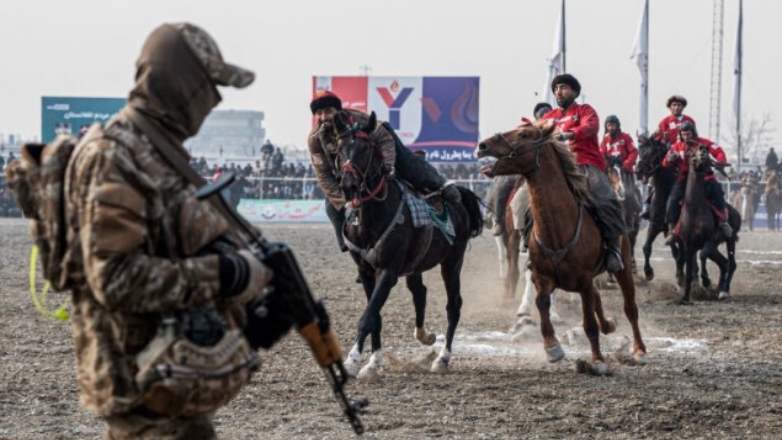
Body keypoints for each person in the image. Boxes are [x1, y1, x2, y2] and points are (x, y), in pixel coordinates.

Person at [64, 23, 276, 439]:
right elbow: (114, 276)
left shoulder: (156, 150)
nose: (212, 103)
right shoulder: (116, 155)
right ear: (182, 85)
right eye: (207, 87)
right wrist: (227, 273)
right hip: (137, 383)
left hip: (167, 377)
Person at [308, 90, 461, 252]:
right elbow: (323, 174)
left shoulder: (360, 119)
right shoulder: (315, 139)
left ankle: (443, 185)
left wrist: (388, 165)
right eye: (319, 113)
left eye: (328, 111)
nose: (324, 117)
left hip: (379, 151)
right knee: (331, 206)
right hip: (349, 170)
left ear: (338, 111)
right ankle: (348, 245)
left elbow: (385, 140)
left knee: (410, 167)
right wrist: (344, 199)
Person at [539, 74, 626, 273]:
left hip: (585, 165)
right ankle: (534, 248)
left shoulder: (585, 111)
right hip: (556, 169)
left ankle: (613, 249)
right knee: (529, 203)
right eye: (556, 89)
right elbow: (533, 132)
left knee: (605, 198)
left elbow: (591, 126)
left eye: (564, 88)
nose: (559, 92)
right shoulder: (549, 117)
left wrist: (570, 134)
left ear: (574, 92)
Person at [662, 121, 732, 244]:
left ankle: (723, 222)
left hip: (705, 177)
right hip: (684, 179)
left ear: (693, 133)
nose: (686, 137)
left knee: (717, 193)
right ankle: (672, 231)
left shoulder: (704, 143)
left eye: (688, 134)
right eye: (683, 134)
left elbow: (719, 151)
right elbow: (665, 162)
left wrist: (721, 160)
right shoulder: (677, 146)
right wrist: (669, 159)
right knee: (671, 200)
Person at [640, 95, 697, 219]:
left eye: (679, 105)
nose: (676, 108)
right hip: (668, 154)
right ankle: (647, 205)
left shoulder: (689, 120)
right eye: (674, 105)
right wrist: (662, 138)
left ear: (683, 107)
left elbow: (695, 137)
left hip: (685, 154)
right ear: (670, 107)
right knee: (655, 172)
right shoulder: (665, 122)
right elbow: (656, 138)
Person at [599, 115, 639, 208]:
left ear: (617, 126)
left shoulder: (625, 137)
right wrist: (607, 163)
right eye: (609, 126)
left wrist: (626, 164)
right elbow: (601, 155)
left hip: (625, 170)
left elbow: (634, 151)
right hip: (611, 171)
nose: (611, 128)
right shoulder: (605, 140)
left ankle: (636, 211)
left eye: (613, 125)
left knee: (629, 194)